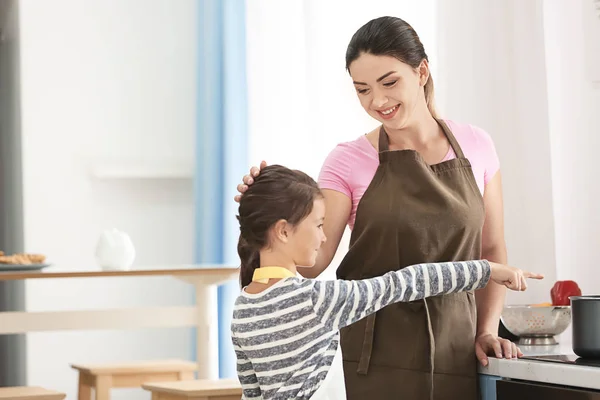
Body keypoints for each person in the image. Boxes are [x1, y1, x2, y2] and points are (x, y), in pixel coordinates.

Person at [236, 16, 518, 400]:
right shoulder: (346, 161)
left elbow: (492, 249)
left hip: (460, 345)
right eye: (362, 90)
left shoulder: (477, 144)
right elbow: (311, 262)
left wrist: (486, 330)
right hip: (378, 351)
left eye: (389, 83)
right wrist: (268, 215)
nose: (377, 102)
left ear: (421, 72)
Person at [231, 165, 542, 400]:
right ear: (283, 231)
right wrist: (488, 270)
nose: (324, 236)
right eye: (319, 225)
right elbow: (409, 281)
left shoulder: (242, 309)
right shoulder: (317, 300)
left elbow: (251, 395)